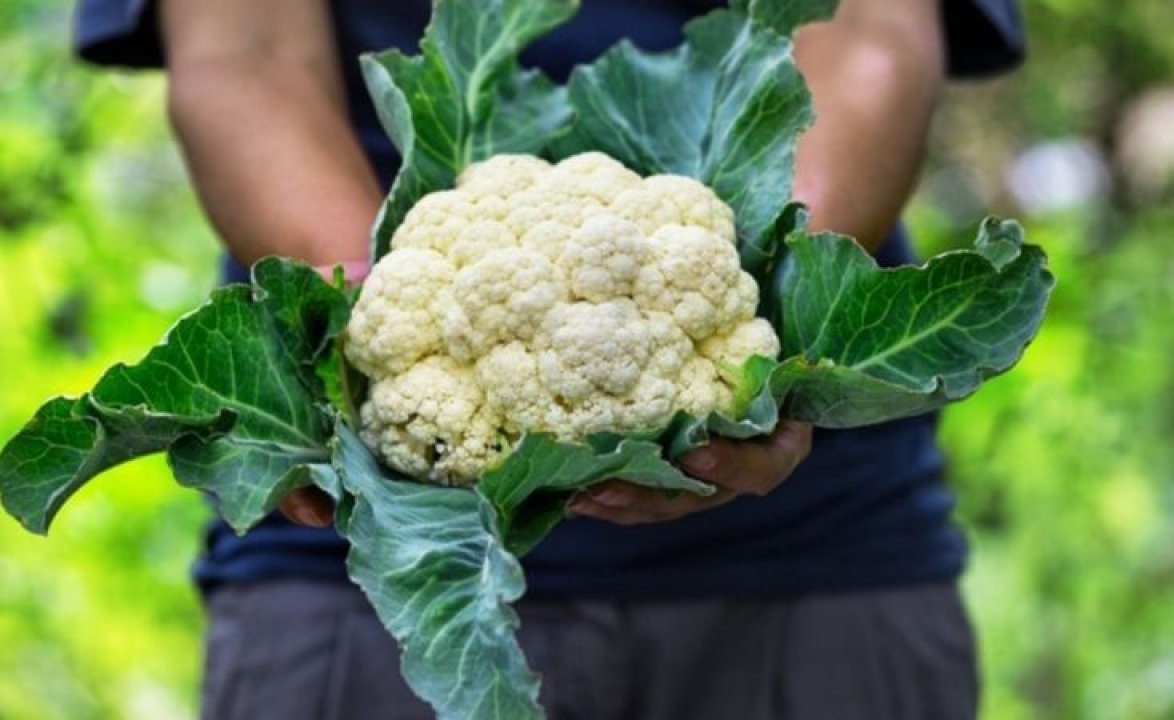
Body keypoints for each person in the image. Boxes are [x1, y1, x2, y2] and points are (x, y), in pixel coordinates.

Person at [74, 1, 1024, 718]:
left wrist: (778, 324)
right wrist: (357, 308)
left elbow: (870, 29)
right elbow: (243, 48)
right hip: (371, 580)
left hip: (817, 567)